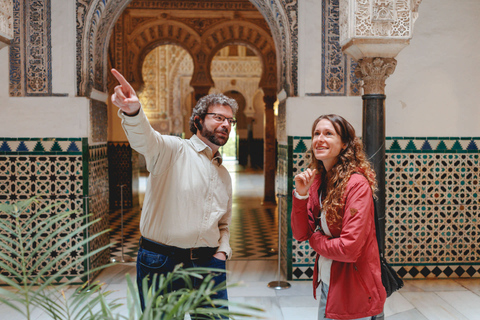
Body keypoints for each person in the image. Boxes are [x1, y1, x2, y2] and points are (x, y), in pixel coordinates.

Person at [110, 68, 237, 315]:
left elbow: (224, 223)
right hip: (161, 262)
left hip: (208, 264)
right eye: (218, 117)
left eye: (230, 121)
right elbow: (145, 139)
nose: (226, 125)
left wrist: (222, 251)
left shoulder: (223, 174)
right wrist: (133, 111)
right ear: (199, 120)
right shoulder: (172, 150)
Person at [291, 114, 386, 320]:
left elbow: (349, 249)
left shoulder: (356, 184)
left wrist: (316, 239)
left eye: (328, 134)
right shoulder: (318, 181)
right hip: (329, 282)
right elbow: (300, 234)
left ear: (344, 144)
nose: (320, 139)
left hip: (354, 288)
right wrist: (301, 195)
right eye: (316, 133)